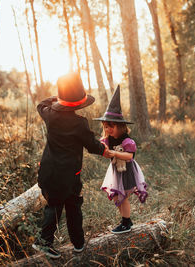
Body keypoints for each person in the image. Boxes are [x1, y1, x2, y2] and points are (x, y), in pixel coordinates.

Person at [33, 72, 111, 258]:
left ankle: (45, 241)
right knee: (74, 207)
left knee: (53, 206)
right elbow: (93, 147)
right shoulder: (80, 123)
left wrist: (58, 99)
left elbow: (40, 104)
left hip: (49, 174)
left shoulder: (50, 115)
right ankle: (76, 243)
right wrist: (106, 149)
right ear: (79, 104)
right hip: (70, 177)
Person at [94, 86, 148, 234]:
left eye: (111, 126)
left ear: (120, 126)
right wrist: (104, 149)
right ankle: (126, 220)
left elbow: (129, 156)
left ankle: (126, 222)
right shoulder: (108, 138)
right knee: (117, 196)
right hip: (116, 171)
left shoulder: (126, 140)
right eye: (105, 127)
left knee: (122, 196)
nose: (108, 130)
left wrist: (114, 153)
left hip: (127, 171)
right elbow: (104, 149)